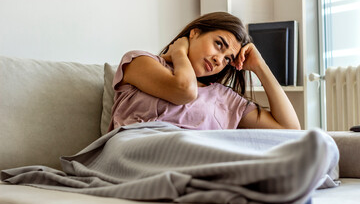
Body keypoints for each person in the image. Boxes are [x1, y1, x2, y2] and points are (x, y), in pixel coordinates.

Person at [109, 12, 301, 131]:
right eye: (219, 44)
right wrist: (179, 52)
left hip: (199, 160)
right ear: (194, 33)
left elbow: (290, 131)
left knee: (317, 145)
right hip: (140, 152)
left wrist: (260, 66)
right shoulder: (139, 61)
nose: (219, 59)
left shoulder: (225, 98)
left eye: (228, 58)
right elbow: (184, 90)